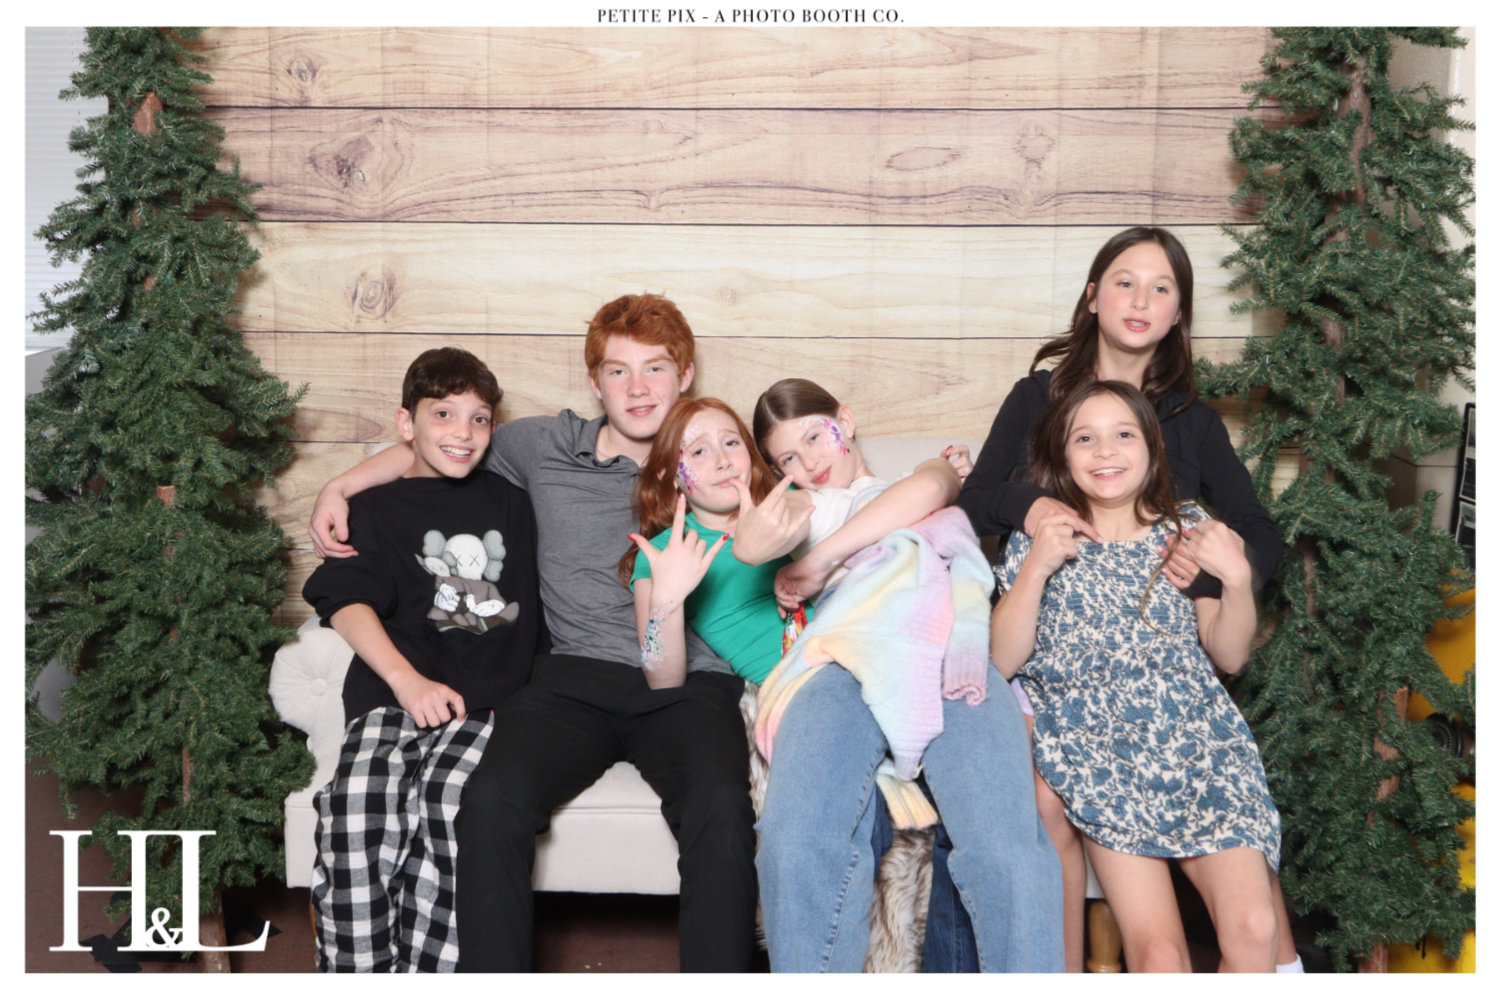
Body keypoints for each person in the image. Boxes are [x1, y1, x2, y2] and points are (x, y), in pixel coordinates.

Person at [306, 295, 758, 972]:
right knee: (489, 804)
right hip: (569, 680)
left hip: (689, 685)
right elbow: (440, 446)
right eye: (619, 371)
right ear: (595, 381)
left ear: (685, 375)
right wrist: (339, 487)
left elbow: (807, 493)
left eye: (657, 369)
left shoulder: (712, 455)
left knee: (721, 808)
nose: (638, 389)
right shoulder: (541, 447)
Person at [955, 225, 1298, 972]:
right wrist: (1035, 514)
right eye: (1124, 282)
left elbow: (1246, 560)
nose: (1141, 301)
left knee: (1253, 925)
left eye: (1161, 288)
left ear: (1178, 313)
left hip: (1179, 671)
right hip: (1072, 685)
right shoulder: (1037, 401)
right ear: (1092, 296)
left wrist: (1215, 575)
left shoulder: (1190, 431)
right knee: (1069, 830)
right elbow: (977, 501)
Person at [707, 377, 1065, 973]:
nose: (808, 463)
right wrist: (757, 539)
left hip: (950, 652)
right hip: (843, 658)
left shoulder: (911, 482)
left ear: (845, 420)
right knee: (795, 842)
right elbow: (759, 538)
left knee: (1009, 852)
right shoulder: (804, 505)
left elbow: (934, 485)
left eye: (814, 437)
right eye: (786, 459)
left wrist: (821, 560)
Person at [990, 379, 1281, 973]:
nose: (1105, 451)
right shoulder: (1041, 535)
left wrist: (1235, 580)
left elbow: (1229, 656)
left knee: (1256, 928)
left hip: (1201, 745)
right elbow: (1000, 661)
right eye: (1085, 439)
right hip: (1101, 755)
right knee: (1160, 958)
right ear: (1062, 454)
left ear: (1152, 447)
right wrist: (1037, 568)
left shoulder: (1189, 528)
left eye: (1123, 434)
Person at [301, 347, 543, 971]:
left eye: (479, 418)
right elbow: (343, 598)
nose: (463, 432)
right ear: (406, 423)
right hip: (393, 693)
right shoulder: (375, 509)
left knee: (451, 808)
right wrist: (406, 682)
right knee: (356, 808)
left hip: (486, 704)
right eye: (443, 414)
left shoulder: (513, 501)